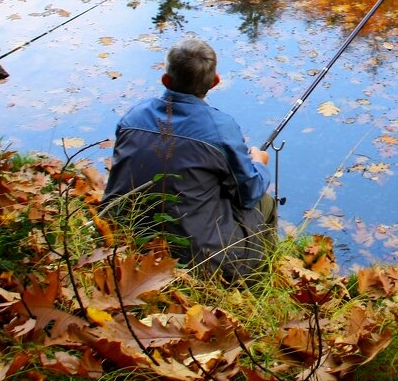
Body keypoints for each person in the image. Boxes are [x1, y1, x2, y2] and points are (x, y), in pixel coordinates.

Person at [100, 38, 276, 280]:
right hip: (192, 258)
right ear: (214, 82)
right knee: (265, 202)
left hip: (120, 237)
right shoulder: (220, 129)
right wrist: (259, 164)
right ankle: (258, 281)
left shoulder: (132, 118)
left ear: (166, 80)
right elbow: (248, 193)